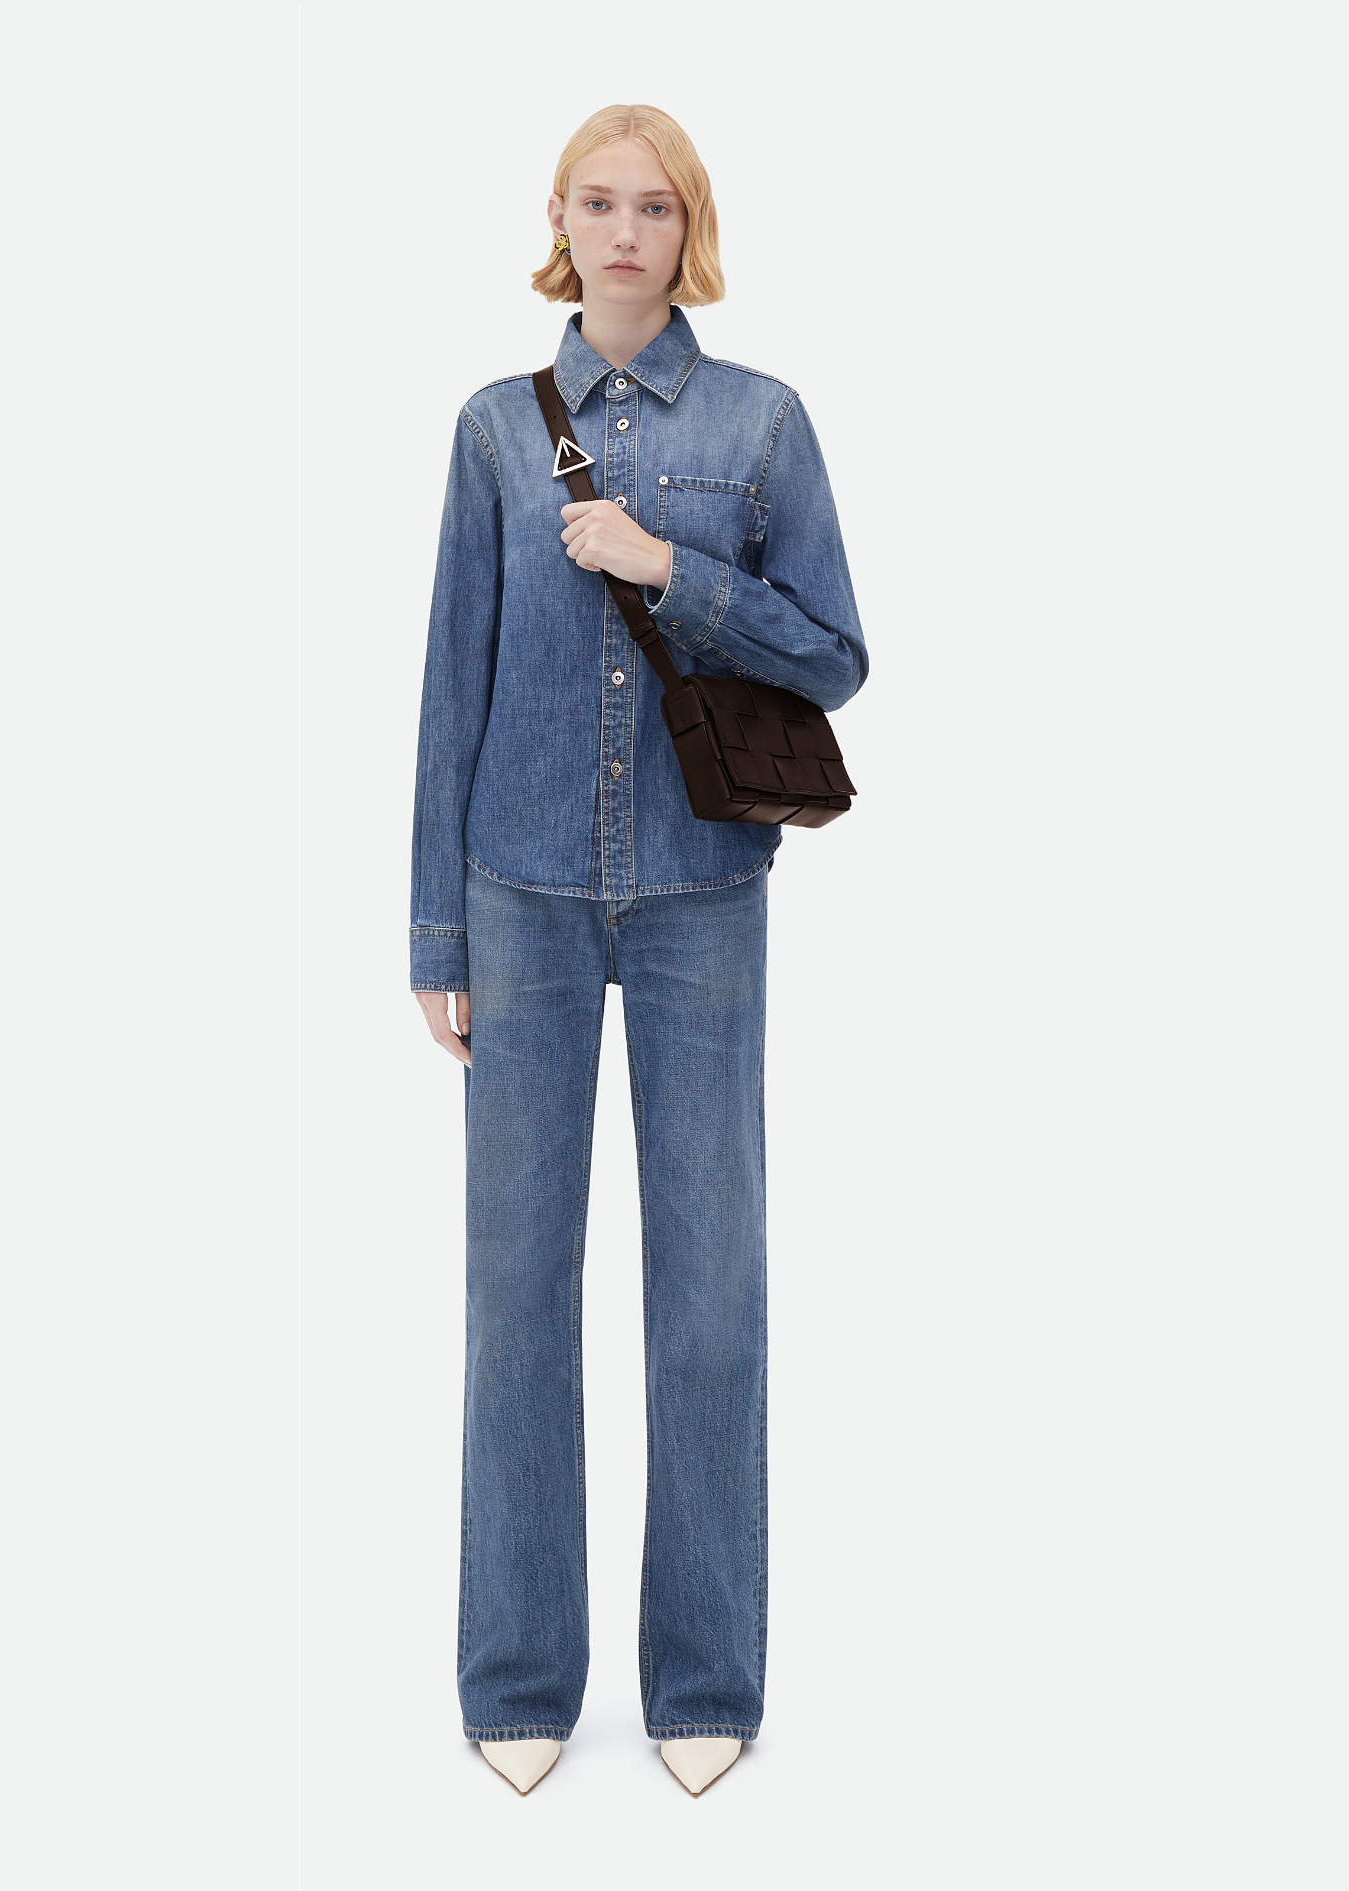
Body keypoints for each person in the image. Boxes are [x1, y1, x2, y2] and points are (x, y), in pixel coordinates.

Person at [407, 102, 868, 1798]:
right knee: (515, 1291)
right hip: (520, 894)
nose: (623, 233)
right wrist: (436, 927)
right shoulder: (492, 431)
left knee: (710, 1290)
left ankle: (706, 1675)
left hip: (702, 896)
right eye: (597, 204)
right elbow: (451, 677)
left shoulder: (763, 424)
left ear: (691, 229)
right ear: (559, 221)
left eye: (654, 207)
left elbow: (836, 655)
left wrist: (675, 568)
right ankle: (518, 1672)